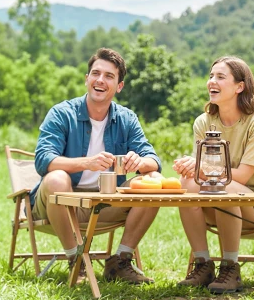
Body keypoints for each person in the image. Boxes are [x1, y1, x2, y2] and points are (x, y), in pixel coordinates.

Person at [31, 48, 161, 284]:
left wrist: (140, 162)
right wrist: (87, 163)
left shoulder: (126, 118)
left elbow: (154, 159)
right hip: (61, 203)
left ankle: (120, 261)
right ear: (87, 79)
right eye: (95, 73)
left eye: (109, 76)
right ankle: (76, 261)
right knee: (57, 177)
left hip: (105, 203)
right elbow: (43, 160)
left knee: (152, 180)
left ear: (119, 86)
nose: (100, 80)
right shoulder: (62, 113)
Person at [173, 56, 254, 293]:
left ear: (239, 86)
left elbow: (241, 176)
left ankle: (230, 266)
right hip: (221, 201)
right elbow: (202, 176)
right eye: (211, 76)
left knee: (224, 188)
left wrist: (200, 167)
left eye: (221, 77)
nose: (212, 81)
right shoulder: (204, 121)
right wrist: (191, 168)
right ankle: (203, 264)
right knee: (187, 183)